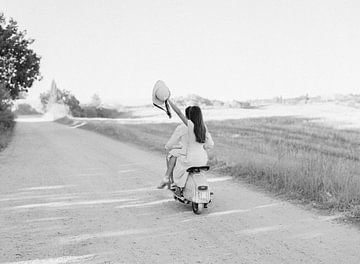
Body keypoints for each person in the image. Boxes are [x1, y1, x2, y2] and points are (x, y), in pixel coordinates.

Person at [157, 99, 214, 191]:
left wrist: (168, 100)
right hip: (203, 159)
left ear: (190, 115)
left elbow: (179, 113)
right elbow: (210, 145)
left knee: (174, 158)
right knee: (176, 155)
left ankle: (172, 183)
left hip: (190, 159)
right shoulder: (203, 127)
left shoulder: (190, 125)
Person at [157, 106, 192, 189]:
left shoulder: (182, 127)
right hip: (199, 154)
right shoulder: (201, 127)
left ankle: (168, 179)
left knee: (171, 154)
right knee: (174, 153)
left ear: (186, 115)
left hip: (185, 152)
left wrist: (167, 146)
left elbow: (172, 141)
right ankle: (168, 179)